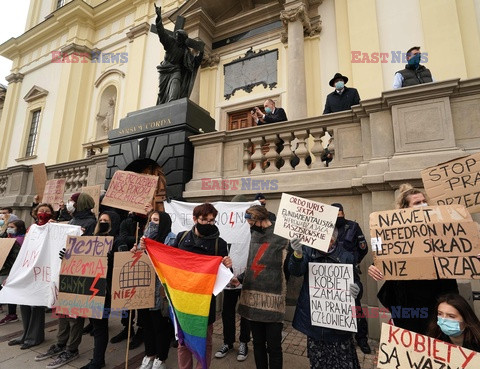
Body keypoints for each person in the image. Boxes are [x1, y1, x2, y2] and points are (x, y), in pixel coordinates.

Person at [368, 184, 458, 334]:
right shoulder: (389, 232)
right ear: (405, 208)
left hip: (437, 296)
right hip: (407, 301)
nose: (423, 205)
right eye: (417, 203)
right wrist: (373, 267)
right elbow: (381, 257)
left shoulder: (441, 228)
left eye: (424, 201)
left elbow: (458, 253)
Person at [288, 230, 361, 369]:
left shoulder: (346, 256)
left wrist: (357, 288)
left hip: (339, 328)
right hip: (315, 325)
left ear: (333, 241)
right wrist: (297, 254)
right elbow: (296, 271)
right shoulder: (308, 252)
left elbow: (356, 281)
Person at [173, 202, 232, 369]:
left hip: (205, 302)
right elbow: (167, 260)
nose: (209, 224)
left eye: (212, 220)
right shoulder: (181, 238)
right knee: (183, 342)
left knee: (204, 342)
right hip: (183, 300)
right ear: (194, 219)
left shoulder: (219, 244)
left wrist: (228, 264)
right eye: (204, 220)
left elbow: (225, 274)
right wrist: (144, 246)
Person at [236, 205, 289, 369]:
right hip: (253, 300)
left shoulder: (282, 235)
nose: (249, 226)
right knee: (257, 344)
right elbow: (253, 262)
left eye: (251, 223)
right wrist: (239, 279)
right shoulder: (255, 233)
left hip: (273, 300)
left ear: (259, 219)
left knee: (273, 347)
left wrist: (297, 254)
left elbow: (292, 268)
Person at [78, 211, 123, 369]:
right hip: (89, 288)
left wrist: (111, 257)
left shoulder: (117, 241)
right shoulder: (89, 239)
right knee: (96, 325)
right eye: (101, 220)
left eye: (107, 220)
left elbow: (121, 264)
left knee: (100, 325)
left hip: (105, 291)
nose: (103, 222)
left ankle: (98, 361)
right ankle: (97, 359)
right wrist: (67, 255)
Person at [134, 210, 176, 369]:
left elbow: (166, 261)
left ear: (164, 221)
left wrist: (149, 240)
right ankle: (149, 354)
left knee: (160, 326)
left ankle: (161, 357)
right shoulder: (144, 238)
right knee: (146, 325)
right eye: (151, 220)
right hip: (144, 288)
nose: (152, 223)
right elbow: (137, 258)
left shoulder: (171, 238)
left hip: (160, 291)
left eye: (156, 220)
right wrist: (140, 246)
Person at [8, 203, 54, 349]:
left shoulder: (55, 227)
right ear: (36, 213)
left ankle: (35, 337)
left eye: (47, 211)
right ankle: (26, 334)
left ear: (52, 214)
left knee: (36, 305)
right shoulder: (32, 228)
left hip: (43, 272)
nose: (44, 213)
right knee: (25, 302)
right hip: (29, 269)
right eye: (41, 210)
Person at [330, 203, 370, 354]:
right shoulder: (325, 227)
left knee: (355, 307)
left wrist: (354, 262)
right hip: (330, 274)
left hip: (349, 273)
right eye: (336, 215)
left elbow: (363, 248)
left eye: (341, 214)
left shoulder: (353, 227)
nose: (339, 217)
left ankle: (362, 338)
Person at [215, 195, 251, 362]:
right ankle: (228, 342)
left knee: (245, 313)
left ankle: (244, 342)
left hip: (244, 279)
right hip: (227, 279)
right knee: (227, 312)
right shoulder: (222, 226)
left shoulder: (250, 228)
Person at [154, 4, 204, 105]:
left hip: (175, 70)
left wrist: (201, 53)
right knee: (161, 94)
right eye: (176, 35)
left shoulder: (185, 50)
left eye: (179, 36)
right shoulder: (170, 42)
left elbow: (193, 62)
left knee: (175, 84)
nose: (177, 37)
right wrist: (159, 17)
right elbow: (161, 32)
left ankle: (173, 105)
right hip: (165, 69)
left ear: (183, 39)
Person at [0, 219, 26, 325]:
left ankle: (12, 314)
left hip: (9, 270)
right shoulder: (8, 238)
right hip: (4, 269)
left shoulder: (19, 240)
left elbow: (17, 258)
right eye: (9, 227)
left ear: (19, 228)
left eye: (12, 227)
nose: (9, 229)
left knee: (8, 291)